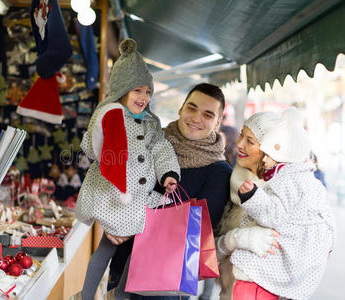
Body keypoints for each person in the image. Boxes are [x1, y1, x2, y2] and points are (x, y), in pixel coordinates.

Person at [75, 38, 180, 300]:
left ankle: (120, 295)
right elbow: (91, 146)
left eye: (147, 92)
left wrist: (168, 174)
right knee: (106, 250)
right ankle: (86, 296)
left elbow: (162, 150)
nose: (143, 97)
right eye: (137, 91)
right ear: (122, 90)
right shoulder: (108, 115)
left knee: (139, 254)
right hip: (118, 199)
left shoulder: (151, 124)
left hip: (145, 201)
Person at [109, 83, 233, 300]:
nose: (196, 118)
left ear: (217, 122)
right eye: (191, 108)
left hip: (166, 283)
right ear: (181, 108)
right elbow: (120, 187)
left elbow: (196, 229)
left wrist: (130, 223)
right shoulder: (150, 144)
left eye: (207, 114)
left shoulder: (219, 172)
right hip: (122, 267)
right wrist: (110, 219)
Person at [219, 108, 336, 300]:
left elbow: (321, 225)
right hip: (237, 287)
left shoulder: (288, 186)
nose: (239, 144)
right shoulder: (228, 178)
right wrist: (235, 239)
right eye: (241, 135)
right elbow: (203, 255)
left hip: (274, 285)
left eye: (250, 141)